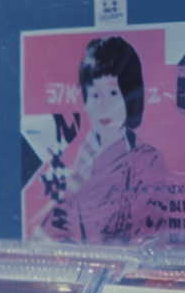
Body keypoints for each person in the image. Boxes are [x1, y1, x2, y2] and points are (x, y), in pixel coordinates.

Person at [40, 36, 170, 245]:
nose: (105, 106)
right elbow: (57, 224)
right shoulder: (84, 158)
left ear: (129, 96)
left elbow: (151, 239)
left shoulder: (148, 162)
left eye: (112, 93)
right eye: (95, 95)